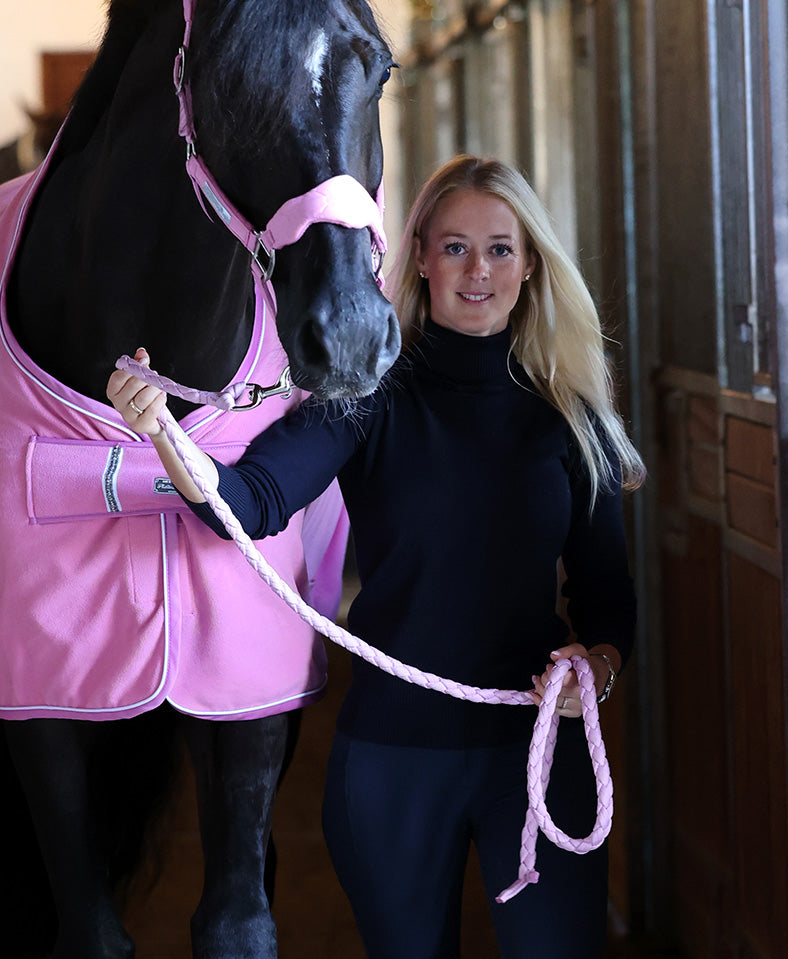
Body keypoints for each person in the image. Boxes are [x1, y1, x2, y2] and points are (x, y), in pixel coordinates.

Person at [106, 154, 645, 959]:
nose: (477, 270)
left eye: (500, 248)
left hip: (535, 751)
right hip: (394, 759)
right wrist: (162, 430)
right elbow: (245, 504)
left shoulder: (573, 418)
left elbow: (608, 599)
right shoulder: (368, 396)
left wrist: (594, 672)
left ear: (530, 264)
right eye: (455, 246)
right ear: (419, 254)